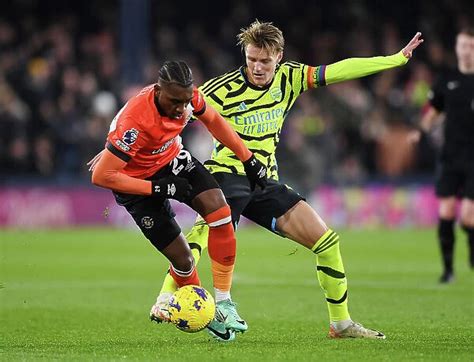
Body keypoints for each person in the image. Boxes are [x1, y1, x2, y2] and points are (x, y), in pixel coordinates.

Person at [89, 22, 423, 341]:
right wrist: (115, 149)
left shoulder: (291, 78)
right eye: (251, 59)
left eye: (265, 60)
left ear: (279, 56)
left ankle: (342, 323)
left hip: (263, 178)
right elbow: (164, 111)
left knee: (326, 241)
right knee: (205, 232)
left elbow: (339, 70)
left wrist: (395, 59)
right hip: (227, 172)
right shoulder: (220, 89)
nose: (258, 67)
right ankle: (168, 299)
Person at [90, 60, 267, 338]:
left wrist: (248, 158)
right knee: (183, 261)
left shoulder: (188, 96)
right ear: (158, 90)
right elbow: (101, 176)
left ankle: (224, 303)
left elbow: (215, 122)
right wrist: (160, 189)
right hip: (137, 184)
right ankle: (207, 314)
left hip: (172, 161)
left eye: (185, 102)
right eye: (174, 101)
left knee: (221, 212)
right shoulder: (134, 122)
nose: (181, 109)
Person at [411, 28, 474, 283]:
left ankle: (471, 255)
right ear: (457, 48)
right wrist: (419, 130)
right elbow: (434, 111)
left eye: (470, 46)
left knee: (468, 217)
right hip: (451, 156)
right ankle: (448, 271)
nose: (465, 50)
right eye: (462, 45)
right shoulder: (447, 79)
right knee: (446, 213)